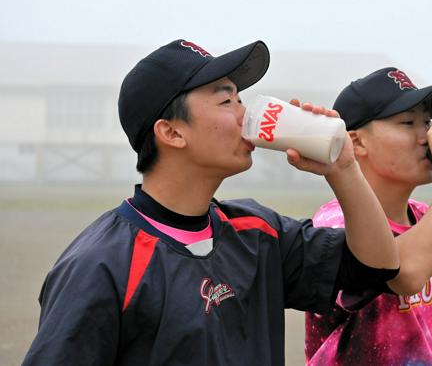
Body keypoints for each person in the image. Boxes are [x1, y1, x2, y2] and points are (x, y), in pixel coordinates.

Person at [22, 40, 409, 366]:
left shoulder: (257, 233)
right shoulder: (102, 263)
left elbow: (374, 266)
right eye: (227, 101)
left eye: (241, 99)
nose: (246, 114)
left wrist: (343, 170)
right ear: (171, 132)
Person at [305, 67, 432, 366]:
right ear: (356, 142)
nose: (427, 136)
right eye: (407, 123)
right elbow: (405, 274)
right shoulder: (335, 222)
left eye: (428, 122)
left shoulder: (427, 217)